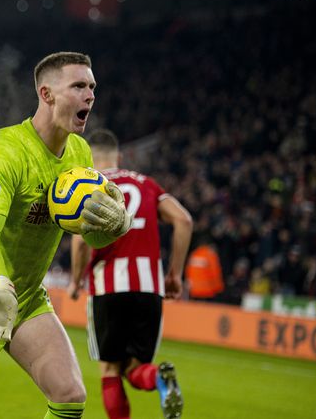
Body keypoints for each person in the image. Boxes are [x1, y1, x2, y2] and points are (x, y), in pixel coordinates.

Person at [0, 52, 131, 419]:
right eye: (79, 86)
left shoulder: (80, 153)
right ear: (47, 94)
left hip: (26, 297)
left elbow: (89, 235)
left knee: (69, 394)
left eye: (92, 87)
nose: (90, 95)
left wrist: (114, 227)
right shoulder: (4, 150)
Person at [69, 128, 193, 419]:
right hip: (149, 288)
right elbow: (184, 220)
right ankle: (159, 379)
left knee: (110, 370)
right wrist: (175, 274)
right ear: (119, 157)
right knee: (136, 369)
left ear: (89, 157)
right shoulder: (147, 184)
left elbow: (79, 242)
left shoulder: (91, 187)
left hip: (107, 287)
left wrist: (76, 281)